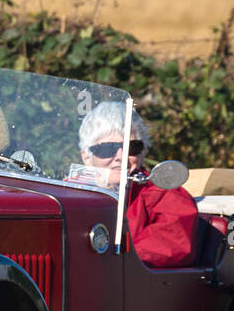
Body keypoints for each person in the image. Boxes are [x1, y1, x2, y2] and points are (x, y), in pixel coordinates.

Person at [78, 101, 198, 268]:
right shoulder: (67, 194)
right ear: (86, 158)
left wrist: (106, 259)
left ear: (143, 151)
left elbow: (167, 246)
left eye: (132, 147)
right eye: (107, 148)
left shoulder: (165, 194)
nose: (120, 156)